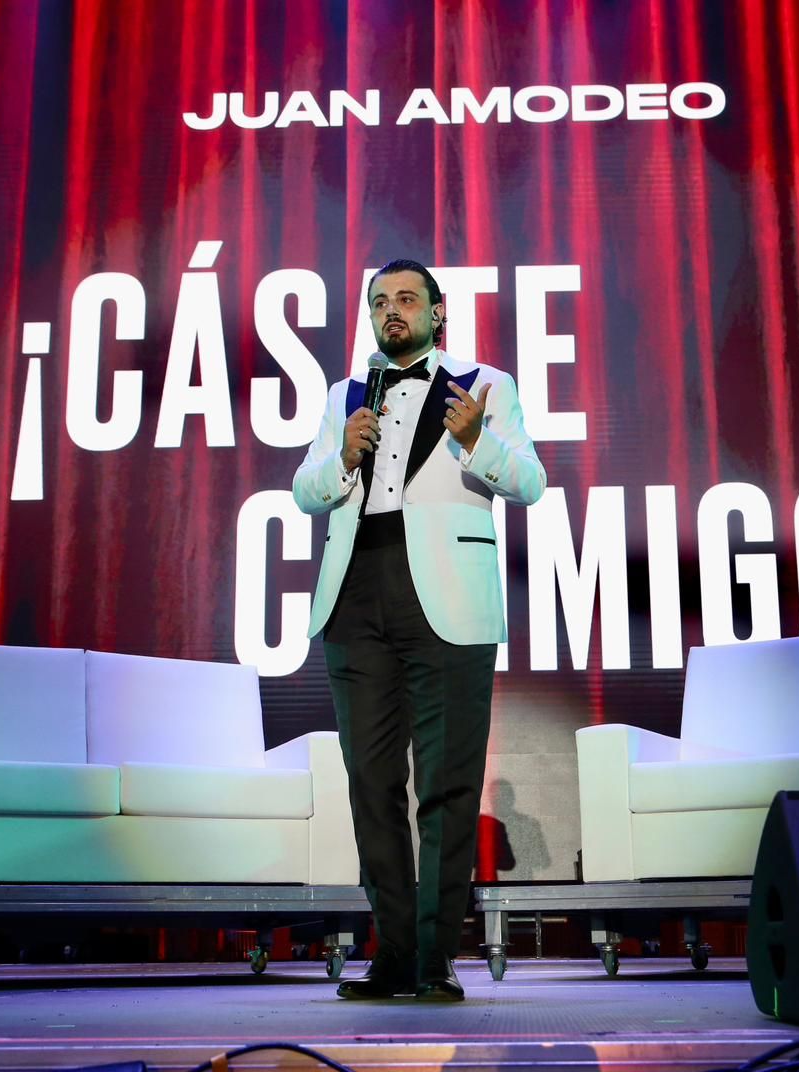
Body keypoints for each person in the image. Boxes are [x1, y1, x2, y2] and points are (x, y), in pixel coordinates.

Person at [292, 259, 547, 1000]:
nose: (391, 312)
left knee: (445, 786)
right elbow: (308, 491)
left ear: (439, 312)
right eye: (380, 302)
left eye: (406, 300)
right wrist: (342, 455)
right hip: (354, 594)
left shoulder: (486, 385)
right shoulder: (344, 395)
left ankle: (435, 961)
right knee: (372, 784)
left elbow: (529, 481)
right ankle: (393, 953)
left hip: (446, 599)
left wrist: (477, 441)